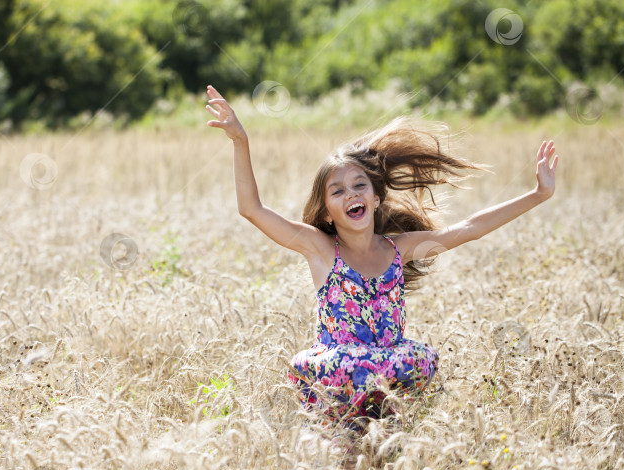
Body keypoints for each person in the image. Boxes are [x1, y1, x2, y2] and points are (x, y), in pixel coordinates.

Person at [205, 84, 558, 435]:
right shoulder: (321, 249)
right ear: (327, 213)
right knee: (343, 465)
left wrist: (537, 194)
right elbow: (251, 209)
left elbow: (468, 228)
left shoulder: (397, 249)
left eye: (360, 186)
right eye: (337, 191)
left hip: (392, 375)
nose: (351, 195)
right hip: (339, 381)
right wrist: (240, 140)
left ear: (375, 199)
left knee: (387, 463)